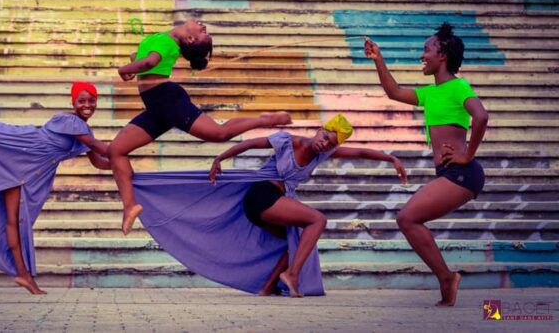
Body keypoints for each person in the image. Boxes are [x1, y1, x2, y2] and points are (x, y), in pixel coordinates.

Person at [130, 114, 406, 297]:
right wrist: (220, 158)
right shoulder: (288, 140)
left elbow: (360, 151)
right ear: (319, 129)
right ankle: (293, 275)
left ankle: (266, 287)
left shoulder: (322, 155)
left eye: (330, 144)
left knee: (293, 242)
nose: (325, 144)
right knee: (317, 220)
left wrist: (391, 159)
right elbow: (251, 143)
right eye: (325, 137)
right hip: (261, 195)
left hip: (274, 202)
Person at [109, 19, 292, 234]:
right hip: (156, 107)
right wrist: (133, 63)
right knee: (116, 150)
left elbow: (149, 62)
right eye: (204, 30)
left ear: (189, 38)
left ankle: (265, 120)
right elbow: (142, 59)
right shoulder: (160, 38)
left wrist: (125, 69)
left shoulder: (168, 42)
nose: (203, 26)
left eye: (203, 32)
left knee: (219, 133)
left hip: (168, 100)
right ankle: (130, 206)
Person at [0, 82, 110, 294]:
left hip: (27, 170)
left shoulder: (85, 131)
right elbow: (100, 147)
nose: (87, 105)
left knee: (15, 221)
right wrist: (124, 149)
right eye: (82, 101)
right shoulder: (69, 120)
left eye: (92, 100)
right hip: (20, 149)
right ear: (73, 102)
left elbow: (99, 161)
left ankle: (23, 275)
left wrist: (123, 168)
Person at [364, 22, 488, 306]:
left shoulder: (458, 86)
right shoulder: (431, 92)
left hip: (462, 171)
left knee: (407, 218)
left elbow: (481, 116)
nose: (422, 55)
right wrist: (378, 59)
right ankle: (446, 280)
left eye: (426, 49)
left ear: (442, 55)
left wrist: (467, 155)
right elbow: (394, 91)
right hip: (451, 171)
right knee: (408, 219)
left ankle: (446, 278)